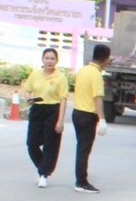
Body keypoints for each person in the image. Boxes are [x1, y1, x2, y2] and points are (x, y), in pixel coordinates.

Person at [18, 48, 69, 188]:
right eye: (47, 58)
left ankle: (43, 174)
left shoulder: (61, 78)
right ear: (42, 59)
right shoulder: (35, 74)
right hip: (37, 110)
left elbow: (63, 99)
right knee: (31, 143)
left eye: (52, 58)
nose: (49, 61)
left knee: (50, 145)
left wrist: (60, 120)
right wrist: (29, 98)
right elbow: (27, 90)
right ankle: (43, 168)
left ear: (56, 61)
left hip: (53, 110)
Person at [70, 44, 109, 193]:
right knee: (84, 149)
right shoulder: (96, 74)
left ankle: (81, 178)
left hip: (77, 112)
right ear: (105, 59)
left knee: (81, 147)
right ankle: (81, 181)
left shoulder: (83, 70)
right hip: (88, 115)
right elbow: (97, 98)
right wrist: (102, 119)